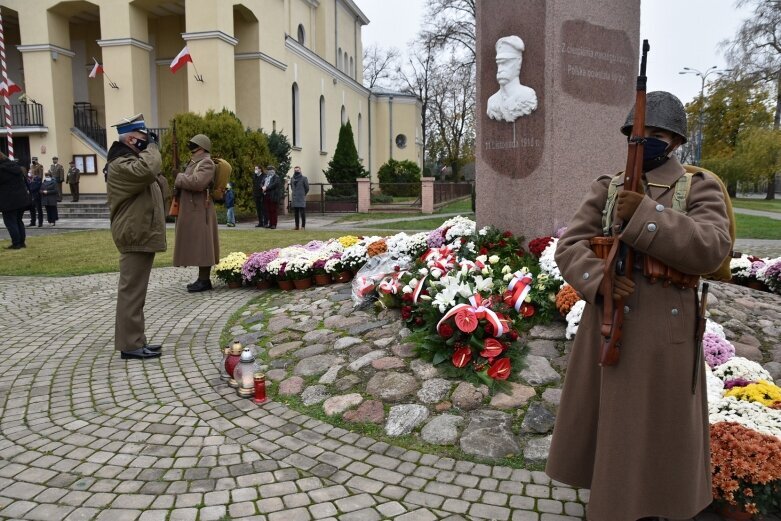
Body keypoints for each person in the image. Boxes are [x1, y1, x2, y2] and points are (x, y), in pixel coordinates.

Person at [545, 91, 731, 521]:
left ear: (675, 141)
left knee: (660, 430)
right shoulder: (607, 187)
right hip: (610, 321)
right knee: (615, 429)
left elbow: (711, 247)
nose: (642, 141)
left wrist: (646, 214)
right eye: (636, 134)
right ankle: (614, 503)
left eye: (654, 135)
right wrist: (600, 278)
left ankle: (661, 505)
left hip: (667, 332)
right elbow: (570, 244)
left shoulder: (697, 185)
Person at [106, 113, 167, 361]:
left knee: (136, 292)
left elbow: (157, 181)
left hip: (139, 232)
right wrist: (152, 148)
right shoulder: (121, 164)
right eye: (144, 138)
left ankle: (136, 339)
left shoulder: (130, 161)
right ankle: (130, 344)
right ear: (132, 138)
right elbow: (147, 170)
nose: (148, 142)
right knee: (131, 292)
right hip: (133, 234)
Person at [173, 133, 219, 292]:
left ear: (201, 147)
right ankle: (202, 279)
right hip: (194, 209)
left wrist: (178, 177)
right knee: (199, 244)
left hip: (201, 209)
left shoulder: (206, 163)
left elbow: (198, 183)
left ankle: (204, 280)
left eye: (193, 144)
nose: (190, 146)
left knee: (204, 245)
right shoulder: (194, 162)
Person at [486, 36, 538, 123]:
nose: (500, 69)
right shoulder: (492, 101)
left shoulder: (528, 96)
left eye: (506, 63)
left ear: (518, 63)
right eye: (499, 64)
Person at [0, 153, 31, 249]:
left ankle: (16, 243)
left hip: (8, 200)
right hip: (21, 199)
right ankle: (22, 242)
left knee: (10, 222)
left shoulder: (1, 169)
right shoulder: (16, 167)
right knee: (18, 220)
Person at [290, 166, 309, 230]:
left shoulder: (304, 178)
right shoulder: (292, 178)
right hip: (295, 198)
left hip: (301, 197)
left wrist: (303, 194)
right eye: (295, 170)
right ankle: (297, 226)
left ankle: (303, 226)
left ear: (300, 170)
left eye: (298, 170)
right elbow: (292, 187)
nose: (296, 172)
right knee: (296, 213)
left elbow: (307, 188)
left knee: (302, 213)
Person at [262, 165, 280, 229]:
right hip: (266, 195)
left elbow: (274, 185)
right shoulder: (266, 177)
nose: (269, 171)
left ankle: (274, 224)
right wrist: (262, 187)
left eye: (270, 170)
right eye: (268, 170)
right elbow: (262, 182)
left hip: (273, 196)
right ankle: (270, 223)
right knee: (268, 210)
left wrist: (266, 188)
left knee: (273, 210)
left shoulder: (276, 177)